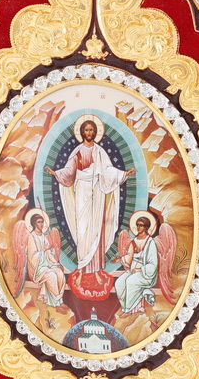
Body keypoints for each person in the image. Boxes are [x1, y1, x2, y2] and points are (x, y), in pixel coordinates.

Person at [44, 119, 136, 283]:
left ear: (95, 132)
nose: (89, 133)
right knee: (83, 228)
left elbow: (108, 170)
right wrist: (56, 173)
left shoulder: (100, 151)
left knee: (96, 228)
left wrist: (123, 174)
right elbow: (69, 170)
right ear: (82, 132)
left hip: (97, 190)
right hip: (82, 190)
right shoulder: (78, 151)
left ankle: (97, 270)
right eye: (86, 130)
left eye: (91, 130)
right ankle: (82, 268)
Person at [115, 216, 159, 314]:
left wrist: (140, 269)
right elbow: (129, 256)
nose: (138, 227)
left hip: (146, 274)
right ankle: (125, 307)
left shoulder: (150, 242)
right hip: (132, 270)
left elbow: (153, 264)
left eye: (141, 225)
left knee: (131, 281)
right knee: (119, 283)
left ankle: (129, 310)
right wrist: (121, 259)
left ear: (146, 227)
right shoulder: (134, 241)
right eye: (137, 225)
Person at [24, 212, 67, 306]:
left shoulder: (43, 236)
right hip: (37, 268)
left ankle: (59, 300)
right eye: (39, 222)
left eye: (42, 222)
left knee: (59, 273)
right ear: (34, 223)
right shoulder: (32, 237)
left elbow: (49, 253)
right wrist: (44, 249)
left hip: (47, 264)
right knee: (52, 275)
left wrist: (55, 263)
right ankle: (55, 300)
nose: (41, 224)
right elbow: (32, 257)